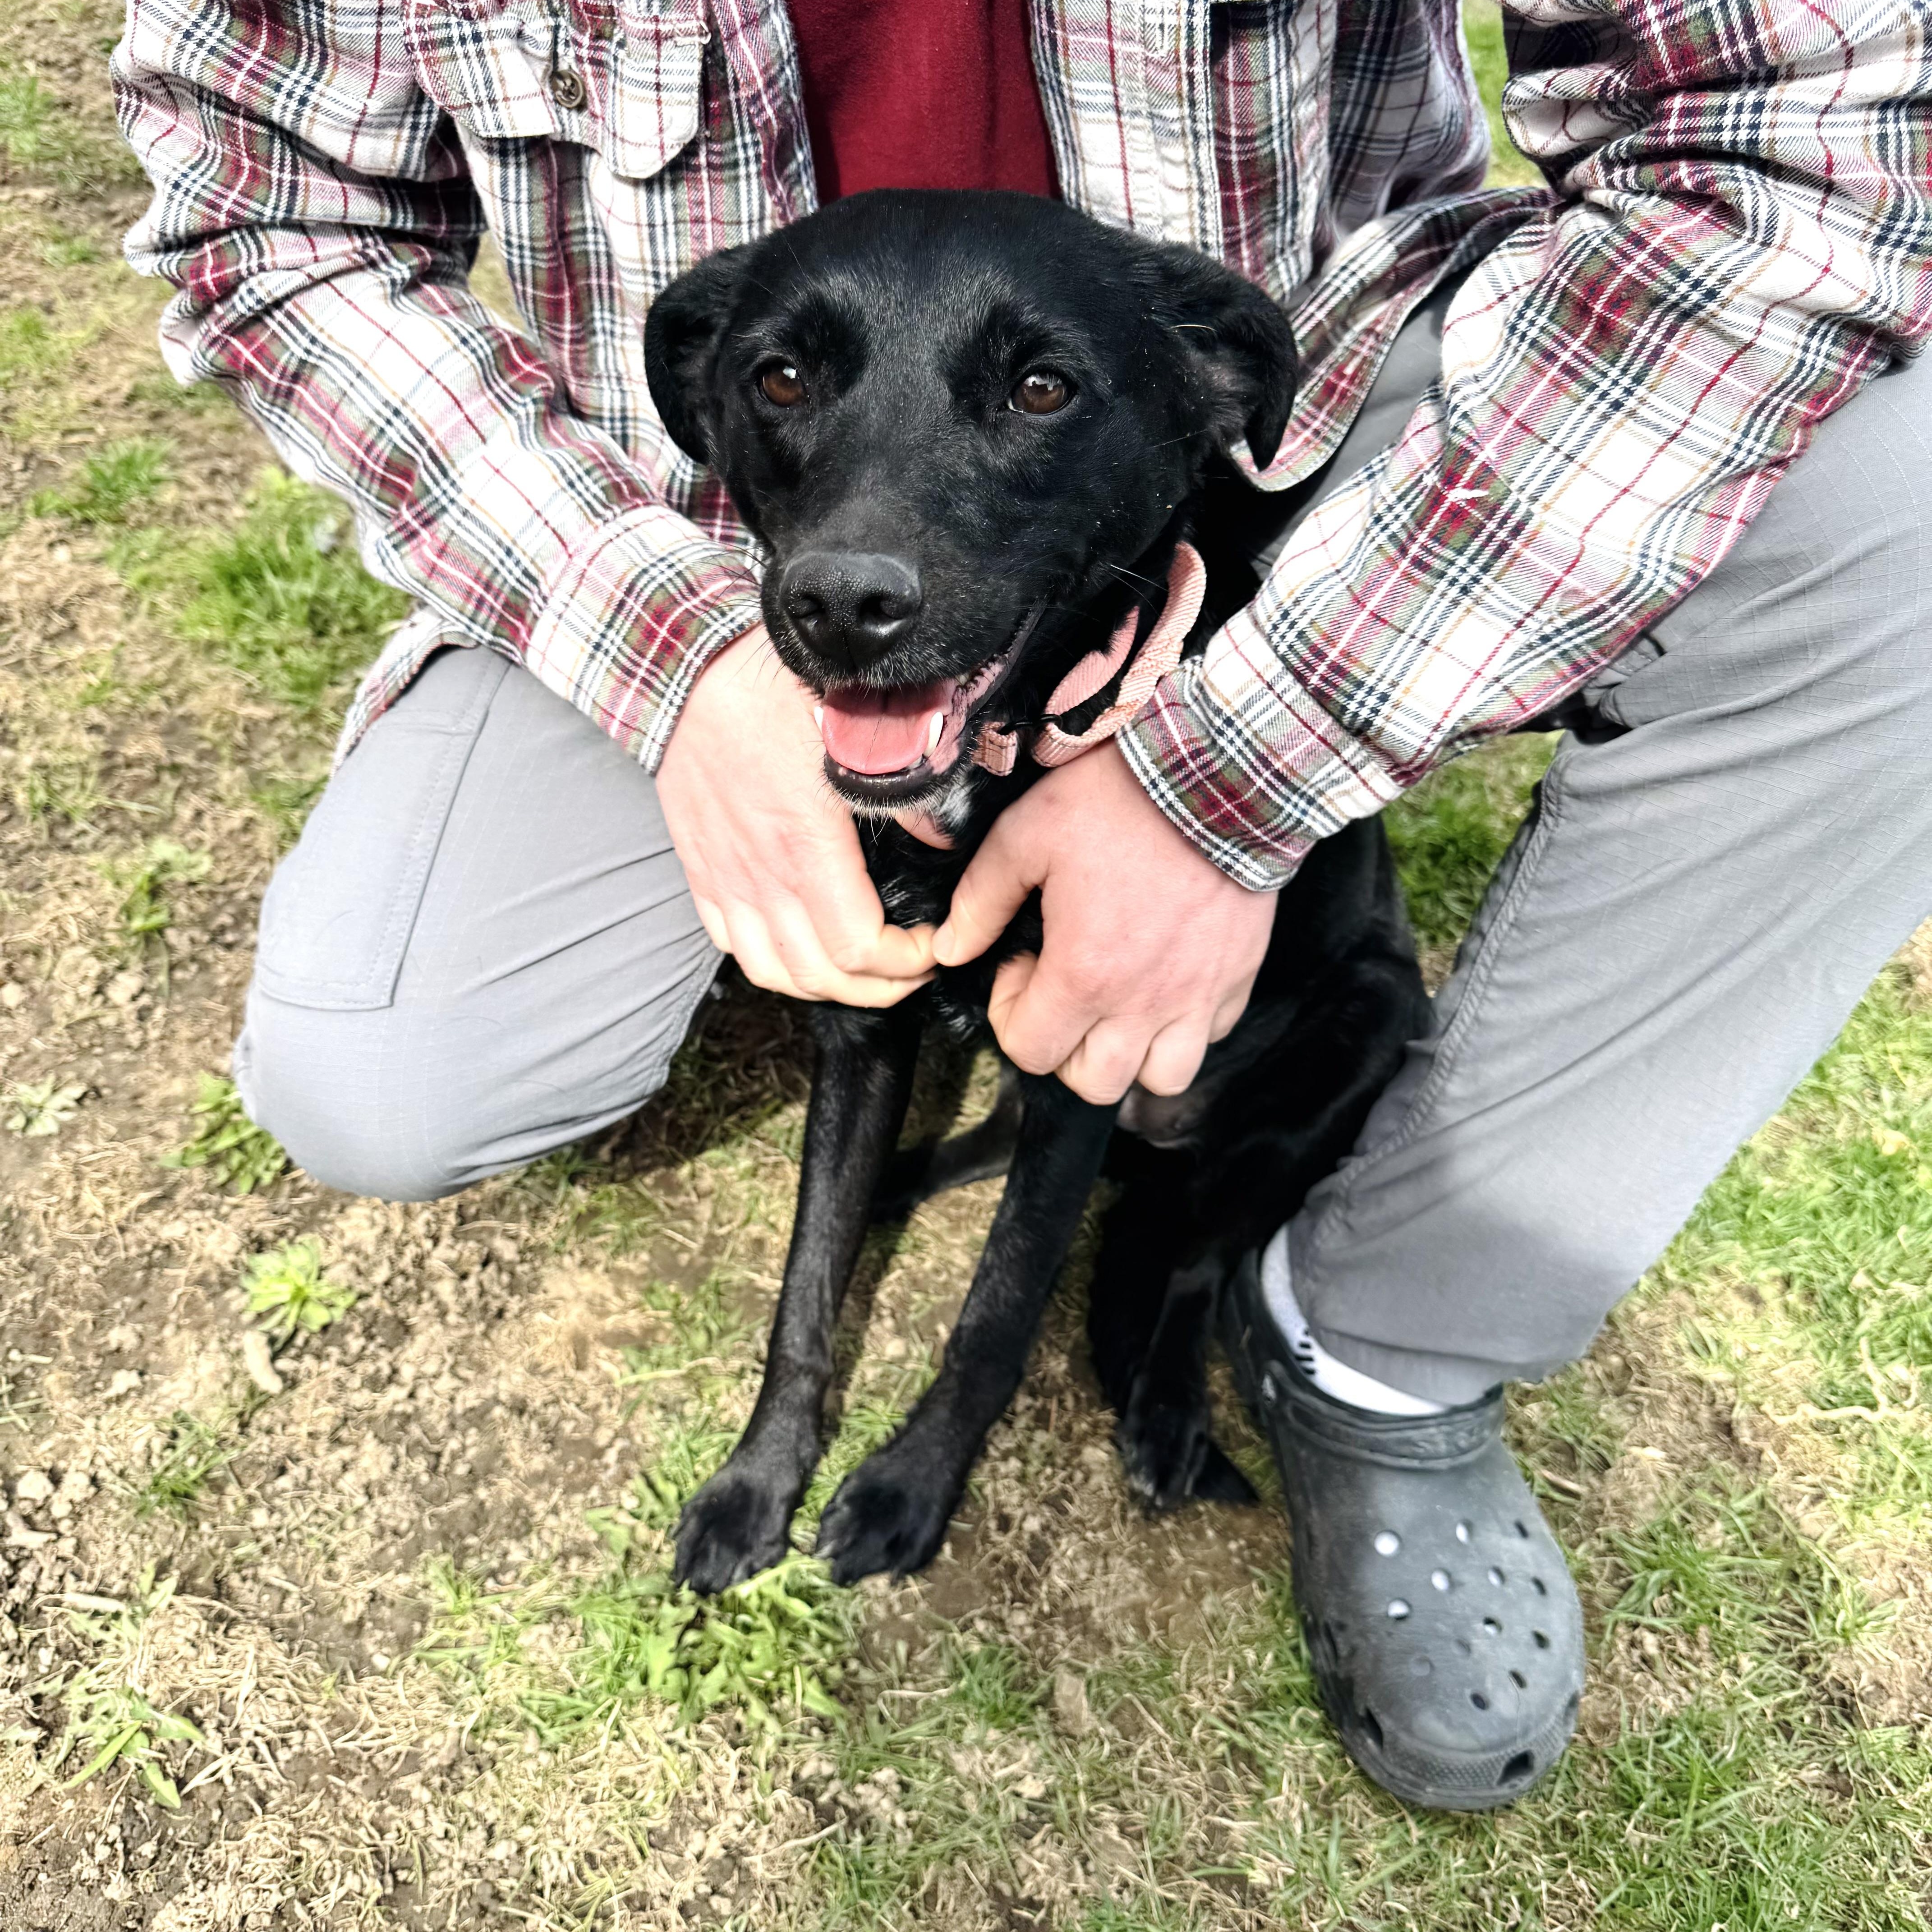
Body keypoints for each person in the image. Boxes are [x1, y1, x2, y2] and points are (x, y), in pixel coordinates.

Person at [113, 0, 1932, 1809]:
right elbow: (263, 213)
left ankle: (1383, 1347)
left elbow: (1807, 141)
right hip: (731, 537)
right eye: (775, 382)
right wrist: (663, 642)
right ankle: (847, 852)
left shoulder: (1218, 379)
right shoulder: (773, 466)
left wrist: (1238, 775)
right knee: (378, 1067)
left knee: (1901, 503)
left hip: (1287, 385)